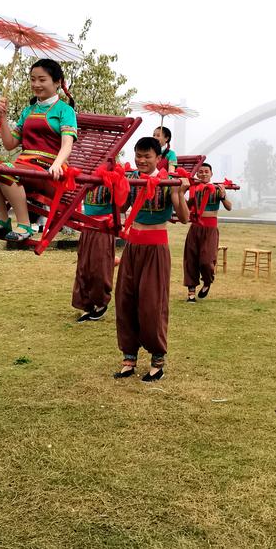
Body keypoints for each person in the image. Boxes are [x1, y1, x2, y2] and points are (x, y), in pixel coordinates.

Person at [113, 137, 189, 382]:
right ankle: (128, 359)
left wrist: (179, 192)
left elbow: (185, 217)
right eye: (138, 155)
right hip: (132, 247)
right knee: (125, 300)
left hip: (156, 249)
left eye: (147, 156)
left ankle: (157, 361)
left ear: (159, 158)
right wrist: (119, 184)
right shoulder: (132, 178)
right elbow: (121, 205)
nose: (142, 160)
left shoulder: (168, 182)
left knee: (152, 305)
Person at [0, 59, 77, 243]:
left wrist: (56, 165)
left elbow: (67, 144)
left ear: (57, 82)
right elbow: (9, 144)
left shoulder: (65, 111)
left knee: (6, 170)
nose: (36, 85)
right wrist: (3, 117)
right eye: (33, 79)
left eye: (42, 79)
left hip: (49, 172)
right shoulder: (28, 110)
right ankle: (2, 220)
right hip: (25, 166)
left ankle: (24, 225)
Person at [183, 162, 232, 301]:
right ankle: (191, 294)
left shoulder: (218, 189)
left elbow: (229, 207)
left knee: (207, 260)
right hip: (195, 228)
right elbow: (186, 208)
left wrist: (223, 197)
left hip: (210, 229)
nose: (203, 174)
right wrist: (189, 199)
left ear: (211, 174)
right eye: (201, 171)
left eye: (206, 171)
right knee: (190, 259)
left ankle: (207, 281)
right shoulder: (193, 188)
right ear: (197, 174)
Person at [72, 182, 117, 322]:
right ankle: (87, 305)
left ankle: (100, 303)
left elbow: (121, 205)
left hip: (103, 228)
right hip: (87, 227)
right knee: (83, 267)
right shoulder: (87, 178)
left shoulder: (112, 177)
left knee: (99, 268)